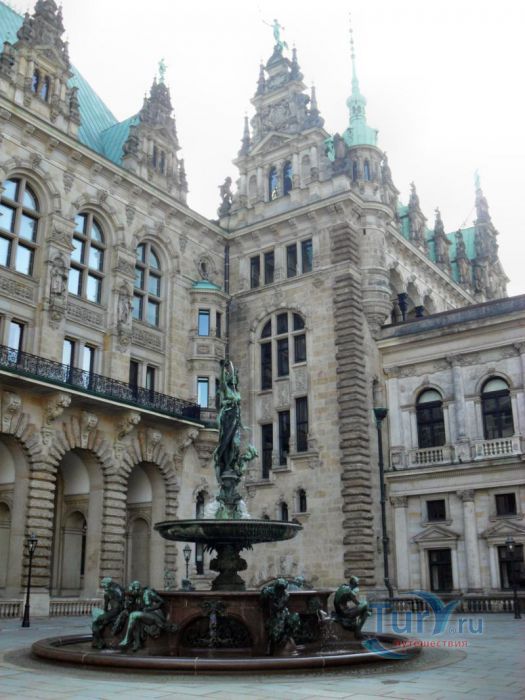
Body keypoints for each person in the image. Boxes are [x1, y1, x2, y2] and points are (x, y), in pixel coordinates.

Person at [119, 582, 176, 652]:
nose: (132, 593)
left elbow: (161, 601)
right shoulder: (137, 597)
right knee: (135, 620)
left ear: (137, 589)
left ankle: (127, 639)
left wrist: (150, 608)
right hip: (147, 615)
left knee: (133, 615)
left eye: (132, 591)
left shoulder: (148, 592)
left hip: (154, 615)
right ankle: (137, 643)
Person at [91, 577, 125, 649]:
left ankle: (99, 641)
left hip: (114, 612)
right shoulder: (120, 589)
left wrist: (105, 615)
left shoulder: (107, 593)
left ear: (107, 584)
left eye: (103, 585)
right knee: (101, 619)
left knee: (96, 621)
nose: (103, 587)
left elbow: (105, 608)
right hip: (120, 611)